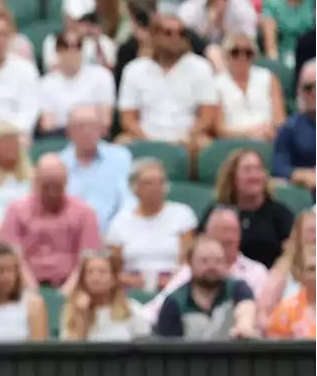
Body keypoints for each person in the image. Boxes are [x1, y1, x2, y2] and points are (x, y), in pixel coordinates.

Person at [141, 206, 269, 323]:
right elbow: (154, 310)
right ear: (208, 234)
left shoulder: (257, 272)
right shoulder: (190, 272)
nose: (230, 237)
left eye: (234, 231)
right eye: (224, 231)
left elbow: (267, 315)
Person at [0, 155, 102, 288]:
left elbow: (87, 260)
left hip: (73, 287)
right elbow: (14, 257)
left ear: (66, 182)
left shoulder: (85, 213)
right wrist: (33, 290)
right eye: (46, 186)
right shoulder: (16, 210)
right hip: (24, 287)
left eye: (57, 186)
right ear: (36, 182)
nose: (52, 192)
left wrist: (66, 293)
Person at [117, 14, 217, 148]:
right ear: (154, 36)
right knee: (122, 142)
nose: (175, 38)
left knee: (205, 144)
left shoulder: (201, 67)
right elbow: (128, 119)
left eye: (181, 33)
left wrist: (188, 136)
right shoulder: (134, 69)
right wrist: (148, 141)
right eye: (168, 33)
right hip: (145, 135)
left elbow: (207, 116)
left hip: (187, 138)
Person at [105, 158, 197, 292]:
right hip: (133, 288)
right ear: (134, 188)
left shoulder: (182, 214)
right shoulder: (120, 221)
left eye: (160, 182)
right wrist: (133, 281)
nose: (156, 187)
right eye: (148, 183)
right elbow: (115, 269)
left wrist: (173, 281)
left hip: (174, 286)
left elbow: (187, 262)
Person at [152, 235, 259, 340]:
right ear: (190, 262)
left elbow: (246, 307)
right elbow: (167, 348)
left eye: (218, 261)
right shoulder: (175, 302)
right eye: (204, 261)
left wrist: (244, 325)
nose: (212, 266)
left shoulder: (237, 288)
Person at [201, 148, 293, 267]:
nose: (254, 175)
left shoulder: (279, 213)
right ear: (232, 177)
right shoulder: (216, 212)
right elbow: (201, 248)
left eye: (258, 169)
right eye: (247, 170)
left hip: (268, 279)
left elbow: (291, 253)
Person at [59, 106, 132, 233]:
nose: (86, 132)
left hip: (112, 236)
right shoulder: (58, 163)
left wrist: (115, 234)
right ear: (68, 132)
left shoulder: (120, 157)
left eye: (92, 126)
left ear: (102, 130)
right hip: (68, 237)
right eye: (80, 126)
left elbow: (128, 202)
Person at [37, 31, 116, 137]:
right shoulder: (45, 84)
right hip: (61, 137)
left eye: (77, 46)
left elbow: (106, 120)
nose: (71, 51)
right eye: (64, 46)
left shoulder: (101, 76)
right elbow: (48, 125)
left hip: (94, 135)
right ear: (57, 51)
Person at [60, 252, 150, 341]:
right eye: (90, 272)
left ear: (113, 278)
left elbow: (145, 345)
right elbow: (71, 350)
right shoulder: (71, 310)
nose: (96, 278)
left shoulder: (131, 308)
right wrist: (82, 315)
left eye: (102, 272)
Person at [213, 34, 285, 141]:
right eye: (235, 52)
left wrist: (270, 132)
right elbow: (219, 129)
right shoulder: (216, 84)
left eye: (248, 53)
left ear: (254, 56)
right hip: (233, 141)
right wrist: (249, 134)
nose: (242, 57)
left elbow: (280, 120)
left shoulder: (269, 78)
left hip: (267, 138)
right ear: (227, 55)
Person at [272, 61, 317, 189]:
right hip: (308, 192)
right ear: (300, 91)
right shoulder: (289, 128)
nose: (314, 93)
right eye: (308, 88)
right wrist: (303, 175)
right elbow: (279, 167)